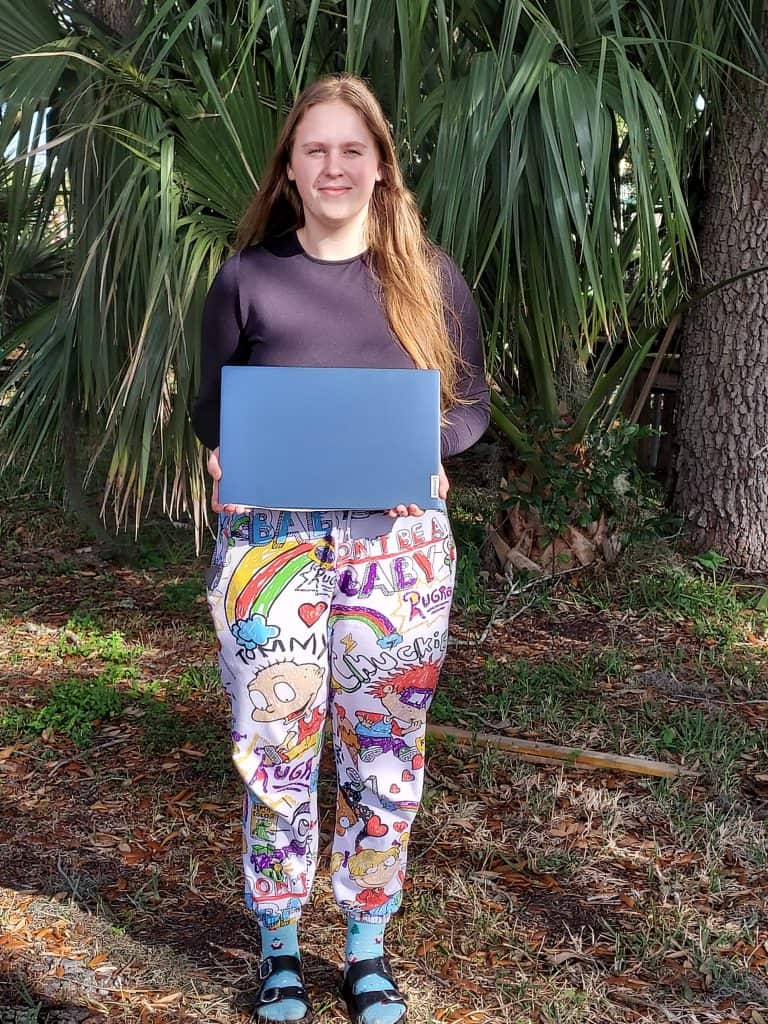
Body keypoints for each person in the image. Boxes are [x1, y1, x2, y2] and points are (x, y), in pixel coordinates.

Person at [191, 73, 490, 1024]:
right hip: (268, 545)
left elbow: (471, 407)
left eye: (350, 148)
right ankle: (280, 944)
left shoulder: (429, 277)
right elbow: (212, 407)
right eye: (314, 148)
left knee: (385, 744)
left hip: (396, 547)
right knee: (274, 743)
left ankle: (366, 947)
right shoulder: (248, 278)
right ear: (288, 167)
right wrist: (217, 452)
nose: (332, 164)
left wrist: (431, 455)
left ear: (379, 166)